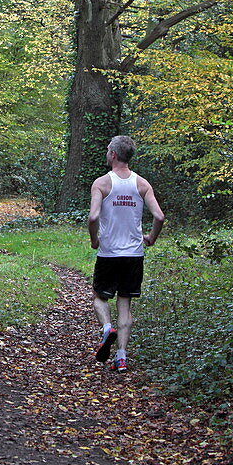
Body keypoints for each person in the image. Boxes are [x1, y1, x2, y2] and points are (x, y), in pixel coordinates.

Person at [88, 135, 165, 373]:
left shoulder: (101, 183)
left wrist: (94, 240)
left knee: (100, 298)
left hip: (109, 253)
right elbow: (159, 216)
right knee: (125, 303)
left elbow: (93, 217)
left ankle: (106, 328)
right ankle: (121, 357)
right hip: (134, 255)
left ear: (113, 154)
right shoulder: (142, 184)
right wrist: (151, 238)